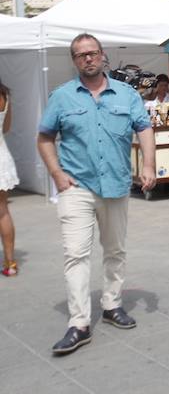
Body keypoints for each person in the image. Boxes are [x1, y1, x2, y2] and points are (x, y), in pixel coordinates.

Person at [37, 34, 156, 355]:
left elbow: (144, 127)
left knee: (115, 250)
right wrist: (57, 175)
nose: (87, 59)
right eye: (80, 55)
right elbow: (45, 138)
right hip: (76, 188)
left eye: (92, 53)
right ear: (74, 60)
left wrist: (149, 164)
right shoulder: (62, 97)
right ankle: (78, 323)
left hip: (116, 186)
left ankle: (112, 304)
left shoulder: (127, 94)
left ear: (102, 56)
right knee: (76, 253)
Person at [0, 76, 18, 277]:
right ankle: (11, 263)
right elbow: (6, 128)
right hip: (1, 156)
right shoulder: (4, 94)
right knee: (3, 212)